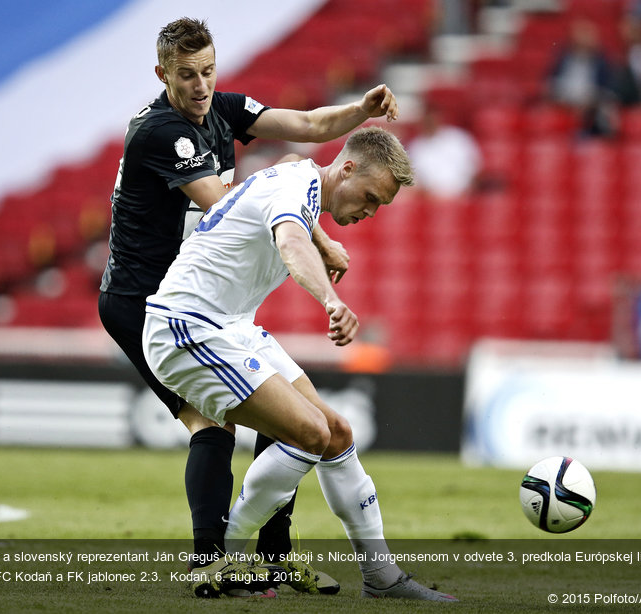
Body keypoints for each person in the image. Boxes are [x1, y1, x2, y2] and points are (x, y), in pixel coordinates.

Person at [98, 17, 401, 597]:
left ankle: (270, 559)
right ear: (162, 75)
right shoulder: (162, 133)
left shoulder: (221, 110)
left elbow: (310, 125)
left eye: (208, 71)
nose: (201, 85)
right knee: (210, 422)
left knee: (276, 403)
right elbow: (230, 205)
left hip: (205, 302)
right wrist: (318, 234)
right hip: (144, 301)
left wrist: (360, 111)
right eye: (186, 75)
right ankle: (213, 564)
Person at [143, 126, 458, 601]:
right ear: (346, 168)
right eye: (370, 197)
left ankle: (382, 577)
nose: (370, 211)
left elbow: (289, 167)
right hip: (188, 325)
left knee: (337, 435)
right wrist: (331, 300)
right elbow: (290, 243)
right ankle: (219, 561)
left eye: (380, 207)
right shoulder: (294, 188)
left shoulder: (297, 178)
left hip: (231, 326)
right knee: (309, 433)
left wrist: (323, 237)